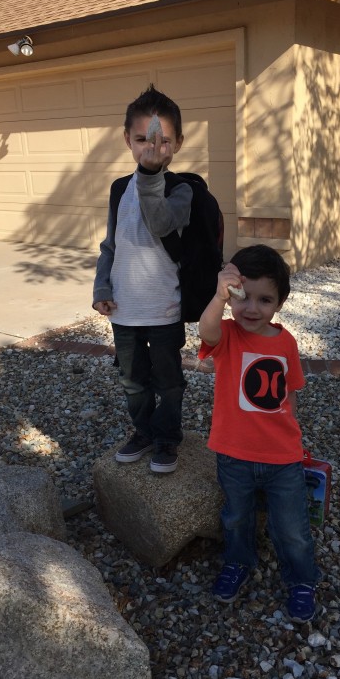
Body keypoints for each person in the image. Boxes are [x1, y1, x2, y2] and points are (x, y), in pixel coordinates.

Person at [198, 244, 321, 622]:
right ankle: (238, 562)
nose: (252, 308)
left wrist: (295, 442)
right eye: (243, 297)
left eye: (264, 299)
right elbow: (207, 330)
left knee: (293, 527)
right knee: (236, 518)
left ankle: (302, 579)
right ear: (232, 295)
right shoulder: (228, 335)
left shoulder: (286, 343)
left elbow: (289, 395)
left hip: (282, 457)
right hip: (233, 453)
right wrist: (218, 297)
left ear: (280, 303)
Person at [93, 84, 192, 474]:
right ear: (127, 141)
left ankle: (167, 438)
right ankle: (143, 432)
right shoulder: (119, 189)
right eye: (142, 139)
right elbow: (110, 245)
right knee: (133, 381)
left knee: (168, 381)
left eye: (162, 140)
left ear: (178, 143)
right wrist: (102, 286)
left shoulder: (182, 190)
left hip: (164, 307)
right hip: (124, 309)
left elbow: (160, 222)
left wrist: (151, 175)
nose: (152, 147)